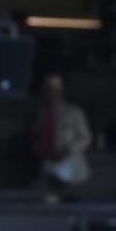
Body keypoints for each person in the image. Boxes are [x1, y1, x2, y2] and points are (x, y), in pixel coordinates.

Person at [33, 73, 92, 202]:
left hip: (69, 164)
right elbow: (38, 136)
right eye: (48, 90)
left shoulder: (74, 112)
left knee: (68, 200)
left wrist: (67, 150)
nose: (51, 94)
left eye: (55, 90)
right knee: (50, 200)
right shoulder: (42, 114)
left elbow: (85, 137)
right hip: (48, 165)